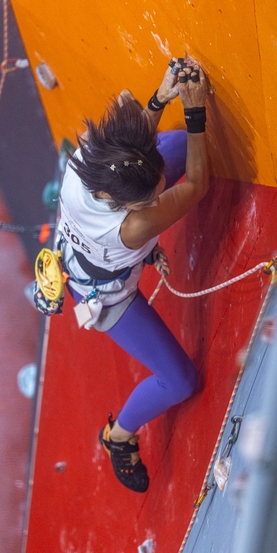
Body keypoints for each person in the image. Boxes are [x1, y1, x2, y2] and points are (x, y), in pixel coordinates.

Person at [57, 56, 209, 493]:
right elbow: (197, 186)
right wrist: (194, 110)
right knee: (180, 381)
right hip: (107, 297)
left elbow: (130, 149)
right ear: (123, 206)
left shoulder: (89, 161)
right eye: (151, 199)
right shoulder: (133, 226)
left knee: (171, 148)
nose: (158, 197)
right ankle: (118, 435)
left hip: (89, 250)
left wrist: (161, 97)